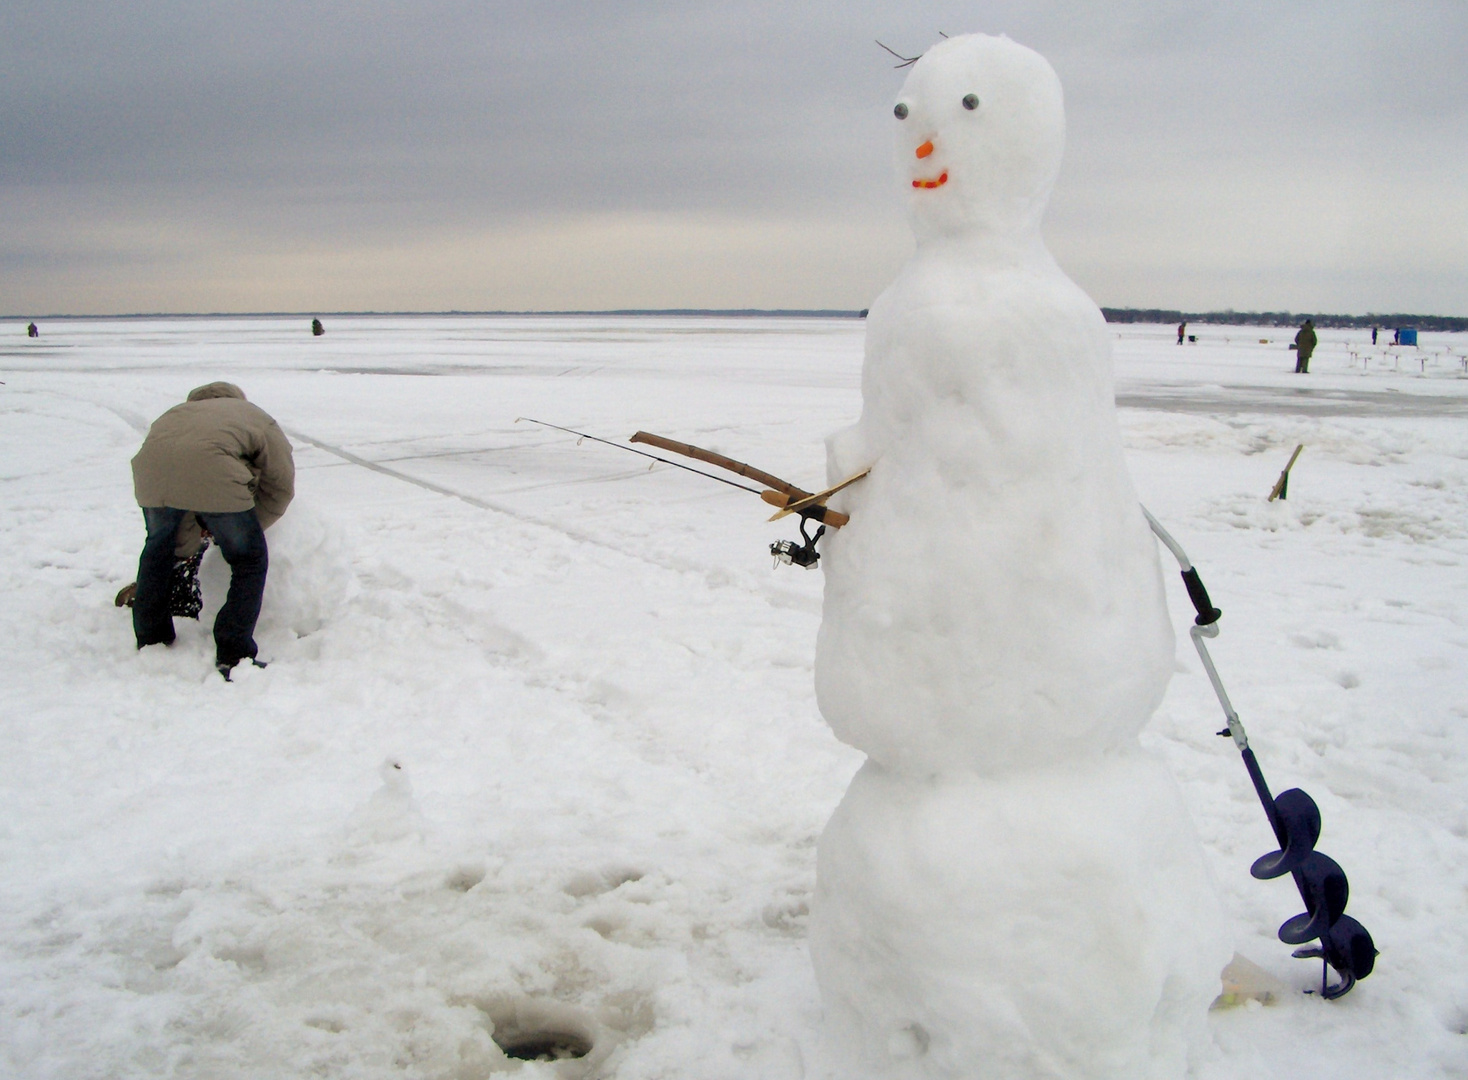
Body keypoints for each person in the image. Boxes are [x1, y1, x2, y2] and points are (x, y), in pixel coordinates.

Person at [131, 382, 294, 678]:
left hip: (150, 478)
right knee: (249, 560)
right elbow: (280, 486)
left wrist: (192, 542)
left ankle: (151, 636)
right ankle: (234, 650)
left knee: (158, 552)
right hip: (216, 476)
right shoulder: (252, 415)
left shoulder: (176, 414)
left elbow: (182, 480)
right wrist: (245, 529)